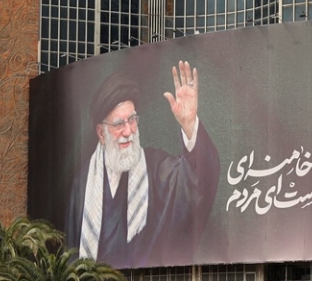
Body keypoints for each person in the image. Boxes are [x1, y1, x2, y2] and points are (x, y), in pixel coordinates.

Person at [66, 61, 221, 269]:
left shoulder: (156, 168)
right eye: (119, 124)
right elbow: (72, 256)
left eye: (132, 120)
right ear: (101, 133)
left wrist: (190, 125)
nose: (129, 131)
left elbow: (197, 180)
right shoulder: (83, 184)